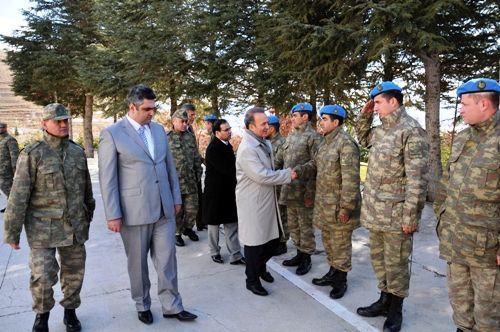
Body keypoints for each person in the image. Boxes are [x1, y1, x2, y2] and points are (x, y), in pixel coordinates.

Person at [98, 85, 197, 325]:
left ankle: (172, 305)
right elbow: (107, 178)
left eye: (154, 108)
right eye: (147, 109)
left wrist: (175, 198)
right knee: (138, 264)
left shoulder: (159, 131)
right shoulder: (112, 134)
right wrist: (113, 214)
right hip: (134, 212)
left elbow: (168, 167)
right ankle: (142, 304)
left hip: (164, 209)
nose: (152, 113)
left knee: (167, 260)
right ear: (132, 107)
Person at [3, 103, 95, 332]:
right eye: (58, 121)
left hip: (74, 227)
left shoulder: (76, 151)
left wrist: (87, 215)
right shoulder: (33, 154)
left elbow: (87, 191)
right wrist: (12, 232)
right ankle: (41, 317)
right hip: (43, 230)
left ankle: (70, 314)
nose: (63, 125)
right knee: (42, 277)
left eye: (66, 120)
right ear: (44, 124)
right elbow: (18, 195)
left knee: (74, 275)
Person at [355, 81, 428, 332]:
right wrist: (364, 115)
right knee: (379, 260)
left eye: (377, 103)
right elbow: (362, 137)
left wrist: (411, 216)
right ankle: (384, 300)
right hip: (376, 212)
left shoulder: (411, 130)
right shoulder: (380, 130)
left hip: (397, 215)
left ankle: (396, 310)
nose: (374, 107)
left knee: (396, 264)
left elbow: (417, 178)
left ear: (393, 102)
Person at [434, 78, 500, 332]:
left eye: (464, 103)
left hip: (487, 249)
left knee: (488, 315)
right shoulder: (462, 138)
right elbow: (446, 184)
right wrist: (441, 219)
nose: (460, 108)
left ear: (484, 103)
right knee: (461, 308)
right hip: (455, 241)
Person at [295, 105, 361, 300]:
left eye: (324, 119)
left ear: (336, 122)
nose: (320, 122)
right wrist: (298, 170)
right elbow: (315, 164)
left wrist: (346, 208)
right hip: (325, 204)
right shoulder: (325, 142)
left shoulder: (345, 144)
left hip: (339, 206)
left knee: (340, 245)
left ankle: (341, 280)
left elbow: (351, 180)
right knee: (329, 243)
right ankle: (333, 273)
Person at [236, 107, 297, 296]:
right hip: (253, 202)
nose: (266, 126)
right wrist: (287, 174)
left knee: (272, 240)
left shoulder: (263, 143)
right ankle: (251, 280)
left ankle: (260, 268)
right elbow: (262, 176)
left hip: (266, 200)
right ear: (250, 126)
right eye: (262, 124)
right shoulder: (247, 149)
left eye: (267, 123)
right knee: (255, 244)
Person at [275, 102, 323, 275]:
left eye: (295, 116)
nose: (292, 118)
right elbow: (281, 159)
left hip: (304, 192)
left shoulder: (314, 137)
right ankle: (298, 253)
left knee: (305, 227)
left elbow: (317, 165)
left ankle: (306, 258)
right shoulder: (291, 135)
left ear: (305, 116)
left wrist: (311, 192)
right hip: (290, 190)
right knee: (294, 225)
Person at [203, 119, 245, 265]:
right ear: (217, 133)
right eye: (226, 130)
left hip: (228, 192)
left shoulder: (227, 145)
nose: (229, 131)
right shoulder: (213, 148)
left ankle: (235, 254)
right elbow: (227, 170)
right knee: (213, 226)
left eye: (229, 128)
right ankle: (214, 252)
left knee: (231, 223)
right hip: (215, 193)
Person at [168, 109, 203, 246]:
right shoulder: (167, 138)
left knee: (192, 208)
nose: (184, 124)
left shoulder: (190, 137)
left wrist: (198, 172)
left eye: (186, 122)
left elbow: (195, 155)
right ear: (174, 121)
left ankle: (188, 228)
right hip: (176, 182)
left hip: (190, 180)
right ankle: (177, 233)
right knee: (177, 210)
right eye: (181, 121)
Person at [180, 103, 206, 231]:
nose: (193, 117)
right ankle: (179, 231)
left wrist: (202, 162)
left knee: (195, 201)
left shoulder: (190, 129)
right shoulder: (178, 131)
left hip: (193, 171)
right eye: (191, 114)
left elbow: (194, 150)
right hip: (181, 174)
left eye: (194, 115)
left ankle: (197, 225)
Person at [267, 115, 288, 255]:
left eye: (266, 126)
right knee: (273, 215)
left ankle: (282, 242)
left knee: (281, 215)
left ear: (272, 128)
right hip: (269, 184)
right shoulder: (265, 142)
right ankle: (275, 240)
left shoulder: (282, 143)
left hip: (279, 185)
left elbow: (282, 164)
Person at [0, 122, 19, 211]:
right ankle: (11, 205)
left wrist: (16, 170)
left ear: (5, 128)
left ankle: (14, 206)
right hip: (1, 169)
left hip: (7, 170)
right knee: (5, 188)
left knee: (7, 187)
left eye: (1, 127)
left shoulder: (10, 140)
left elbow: (15, 156)